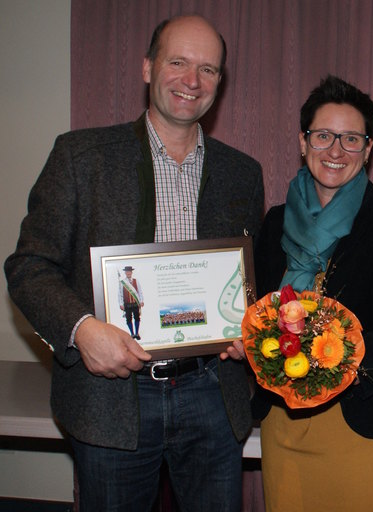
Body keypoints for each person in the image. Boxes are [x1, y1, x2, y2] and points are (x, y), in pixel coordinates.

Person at [5, 15, 263, 512]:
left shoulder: (242, 173)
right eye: (178, 62)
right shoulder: (81, 156)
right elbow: (29, 266)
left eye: (208, 69)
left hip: (212, 393)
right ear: (147, 68)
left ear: (220, 83)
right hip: (112, 398)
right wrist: (81, 329)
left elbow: (245, 277)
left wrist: (246, 322)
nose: (192, 81)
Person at [252, 75, 373, 511]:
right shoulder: (272, 224)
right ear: (302, 141)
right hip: (285, 423)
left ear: (368, 149)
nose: (335, 150)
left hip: (365, 424)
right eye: (324, 135)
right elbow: (253, 311)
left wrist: (330, 358)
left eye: (351, 139)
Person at [119, 266, 144, 340]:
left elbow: (140, 291)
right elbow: (120, 294)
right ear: (125, 273)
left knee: (137, 318)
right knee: (128, 319)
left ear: (131, 272)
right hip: (127, 304)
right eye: (127, 272)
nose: (128, 273)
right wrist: (121, 304)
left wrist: (141, 301)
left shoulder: (136, 281)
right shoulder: (122, 282)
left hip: (135, 303)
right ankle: (132, 334)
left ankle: (137, 333)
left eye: (129, 271)